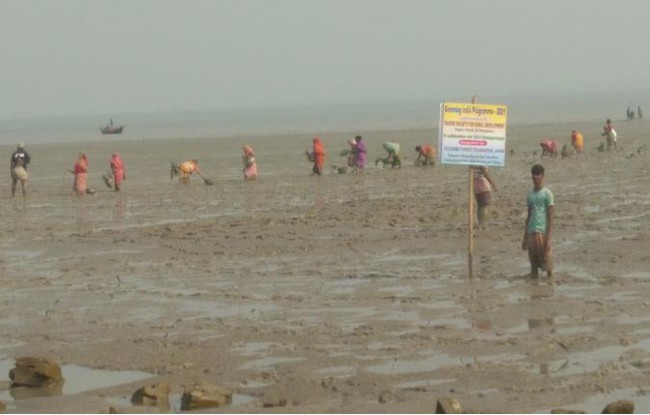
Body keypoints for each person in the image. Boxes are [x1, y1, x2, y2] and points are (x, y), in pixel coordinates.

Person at [521, 164, 554, 278]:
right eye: (534, 176)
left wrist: (548, 237)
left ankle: (550, 288)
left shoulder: (547, 194)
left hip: (543, 231)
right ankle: (534, 290)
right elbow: (529, 215)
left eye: (538, 175)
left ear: (542, 176)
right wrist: (525, 237)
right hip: (531, 231)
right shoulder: (530, 194)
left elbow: (550, 216)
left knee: (548, 264)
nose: (536, 178)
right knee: (533, 264)